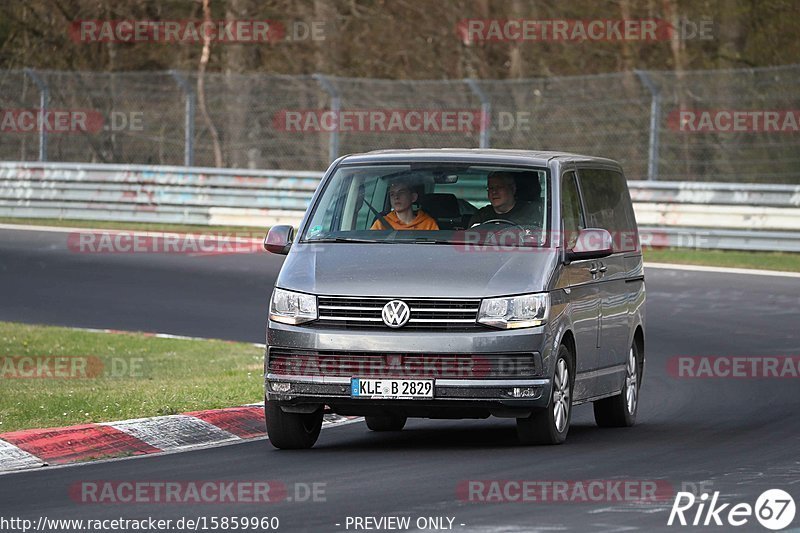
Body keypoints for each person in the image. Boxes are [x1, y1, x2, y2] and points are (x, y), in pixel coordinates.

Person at [468, 171, 541, 227]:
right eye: (491, 188)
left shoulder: (531, 212)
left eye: (499, 187)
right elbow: (470, 240)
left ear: (512, 189)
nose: (494, 192)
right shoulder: (481, 215)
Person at [370, 180, 439, 230]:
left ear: (413, 197)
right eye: (392, 194)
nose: (396, 197)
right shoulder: (381, 224)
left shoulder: (428, 224)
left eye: (401, 192)